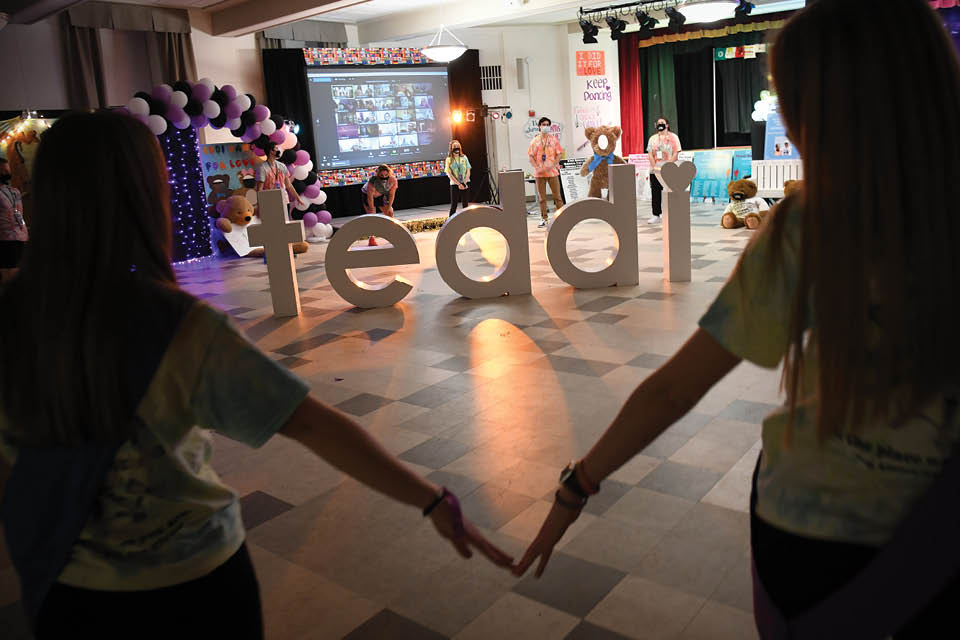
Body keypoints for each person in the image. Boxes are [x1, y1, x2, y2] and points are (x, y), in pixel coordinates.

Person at [514, 1, 960, 637]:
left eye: (799, 105)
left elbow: (675, 387)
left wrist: (576, 486)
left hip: (808, 533)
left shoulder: (814, 226)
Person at [0, 112, 513, 638]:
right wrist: (431, 499)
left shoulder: (10, 318)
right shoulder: (180, 328)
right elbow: (314, 426)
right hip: (198, 590)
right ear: (143, 199)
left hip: (65, 591)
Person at [527, 117, 564, 228]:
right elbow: (531, 156)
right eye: (543, 124)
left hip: (553, 173)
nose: (546, 126)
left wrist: (554, 164)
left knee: (557, 197)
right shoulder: (535, 141)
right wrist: (537, 167)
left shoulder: (554, 140)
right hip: (540, 174)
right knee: (542, 198)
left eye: (548, 124)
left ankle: (561, 218)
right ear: (539, 126)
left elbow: (559, 154)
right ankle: (544, 218)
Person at [646, 117, 681, 225]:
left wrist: (668, 166)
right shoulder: (652, 139)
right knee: (656, 192)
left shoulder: (674, 137)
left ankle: (670, 213)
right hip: (655, 170)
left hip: (669, 169)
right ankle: (656, 214)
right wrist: (656, 167)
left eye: (662, 123)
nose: (660, 124)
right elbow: (650, 154)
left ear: (667, 125)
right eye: (658, 123)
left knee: (670, 192)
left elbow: (676, 152)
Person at [0, 157, 26, 285]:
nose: (6, 173)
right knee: (10, 277)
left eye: (7, 170)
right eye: (3, 171)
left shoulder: (15, 191)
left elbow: (20, 213)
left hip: (20, 237)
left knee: (21, 274)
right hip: (5, 238)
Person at [255, 141, 303, 210]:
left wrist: (298, 198)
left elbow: (288, 185)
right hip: (270, 202)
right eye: (276, 148)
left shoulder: (282, 166)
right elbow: (259, 189)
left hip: (284, 201)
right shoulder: (262, 168)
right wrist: (260, 204)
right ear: (271, 151)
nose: (279, 150)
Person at [445, 139, 471, 217]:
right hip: (455, 184)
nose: (457, 147)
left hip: (465, 183)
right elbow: (449, 174)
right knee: (454, 206)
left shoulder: (464, 157)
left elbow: (468, 170)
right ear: (451, 148)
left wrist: (464, 183)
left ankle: (467, 223)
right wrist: (459, 184)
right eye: (455, 146)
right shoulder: (449, 159)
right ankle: (450, 225)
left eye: (458, 146)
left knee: (465, 205)